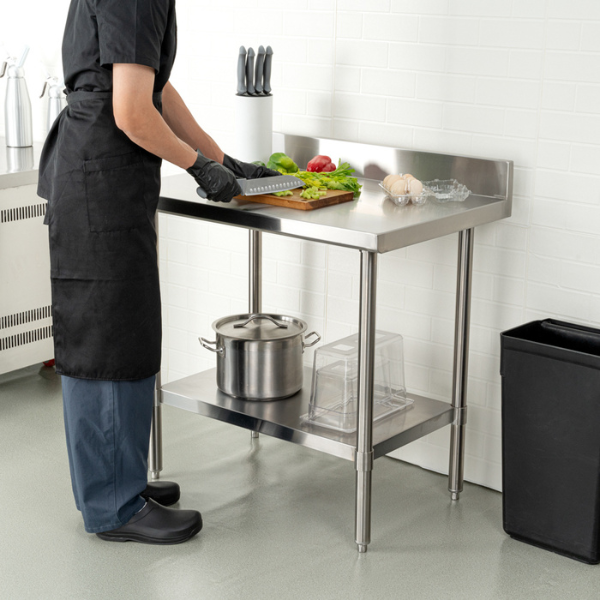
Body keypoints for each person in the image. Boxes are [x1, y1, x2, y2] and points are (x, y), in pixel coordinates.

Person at [37, 0, 278, 545]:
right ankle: (114, 506)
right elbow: (131, 111)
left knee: (127, 330)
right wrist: (197, 165)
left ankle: (121, 480)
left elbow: (157, 91)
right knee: (106, 338)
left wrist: (224, 159)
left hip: (105, 178)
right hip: (100, 179)